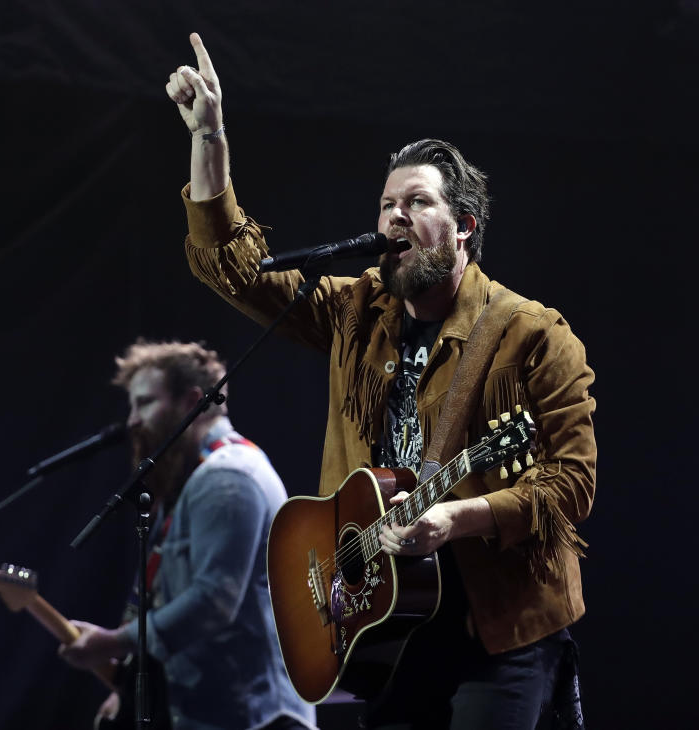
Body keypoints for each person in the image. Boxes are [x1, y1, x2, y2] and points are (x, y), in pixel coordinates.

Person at [166, 33, 596, 730]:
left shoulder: (531, 335)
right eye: (386, 203)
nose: (395, 215)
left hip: (500, 633)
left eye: (417, 202)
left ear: (463, 227)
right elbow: (236, 270)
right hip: (387, 626)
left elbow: (571, 482)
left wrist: (458, 516)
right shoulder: (355, 310)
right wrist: (210, 138)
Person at [58, 340, 316, 730]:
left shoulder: (227, 477)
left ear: (193, 401)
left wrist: (116, 642)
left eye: (145, 403)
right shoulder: (189, 478)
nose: (131, 420)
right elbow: (163, 596)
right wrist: (127, 686)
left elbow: (213, 601)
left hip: (252, 716)